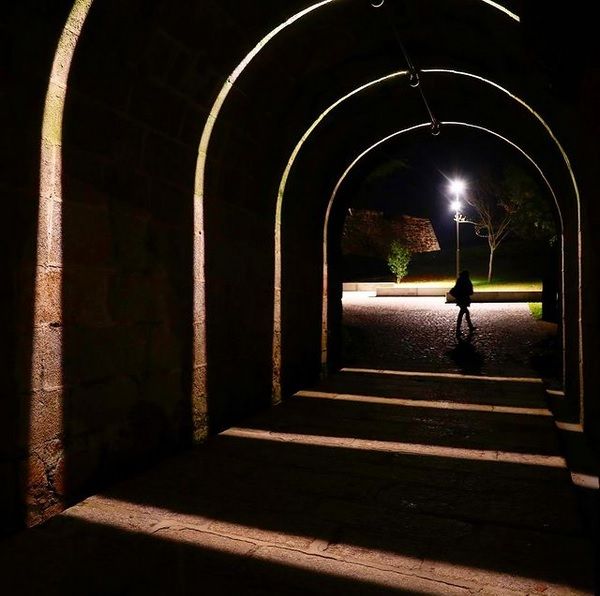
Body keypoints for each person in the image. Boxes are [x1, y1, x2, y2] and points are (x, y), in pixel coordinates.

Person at [450, 270, 475, 337]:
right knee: (463, 313)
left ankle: (470, 326)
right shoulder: (466, 280)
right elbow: (470, 290)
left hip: (460, 299)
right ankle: (458, 330)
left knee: (465, 312)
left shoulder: (460, 280)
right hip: (463, 299)